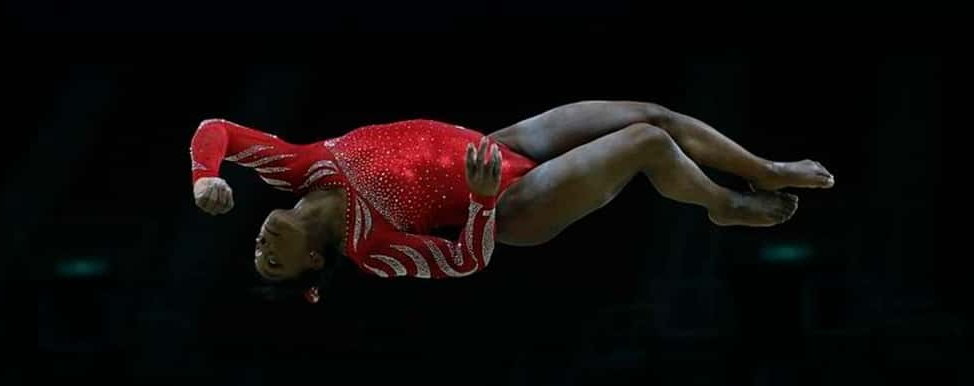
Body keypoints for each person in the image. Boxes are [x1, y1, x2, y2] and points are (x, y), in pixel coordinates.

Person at [189, 101, 834, 303]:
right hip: (511, 204)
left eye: (256, 249)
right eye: (272, 263)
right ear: (310, 271)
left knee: (648, 110)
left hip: (491, 146)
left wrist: (204, 178)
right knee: (645, 142)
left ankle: (766, 168)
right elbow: (468, 261)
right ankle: (721, 202)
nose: (262, 245)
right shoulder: (369, 250)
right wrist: (482, 200)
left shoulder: (296, 167)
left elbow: (214, 131)